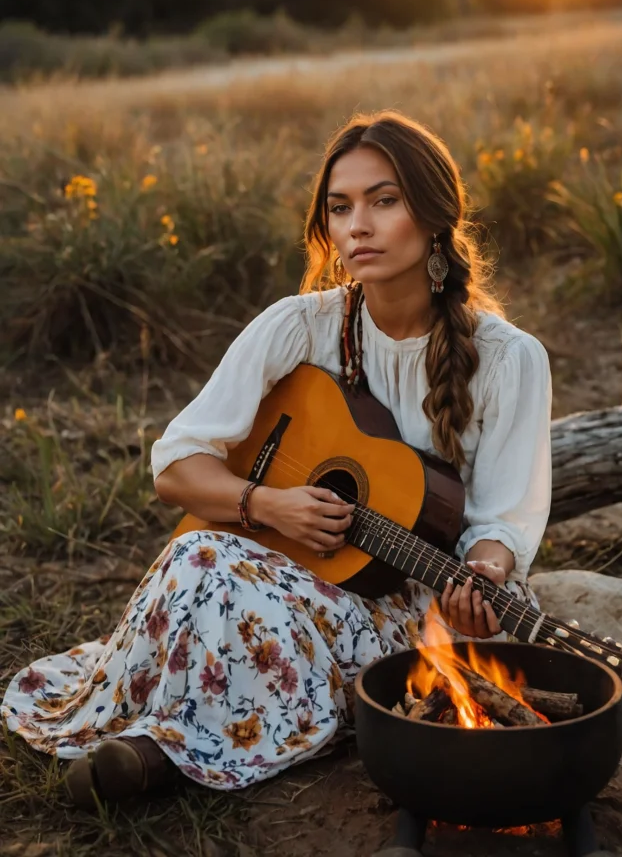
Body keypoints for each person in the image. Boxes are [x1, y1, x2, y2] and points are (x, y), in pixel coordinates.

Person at [2, 110, 552, 808]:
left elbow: (503, 517)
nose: (358, 226)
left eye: (384, 202)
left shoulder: (509, 359)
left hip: (415, 600)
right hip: (284, 573)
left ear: (436, 215)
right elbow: (177, 463)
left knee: (221, 580)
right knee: (201, 556)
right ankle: (168, 743)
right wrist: (266, 504)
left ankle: (159, 753)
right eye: (340, 207)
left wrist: (484, 576)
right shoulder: (299, 327)